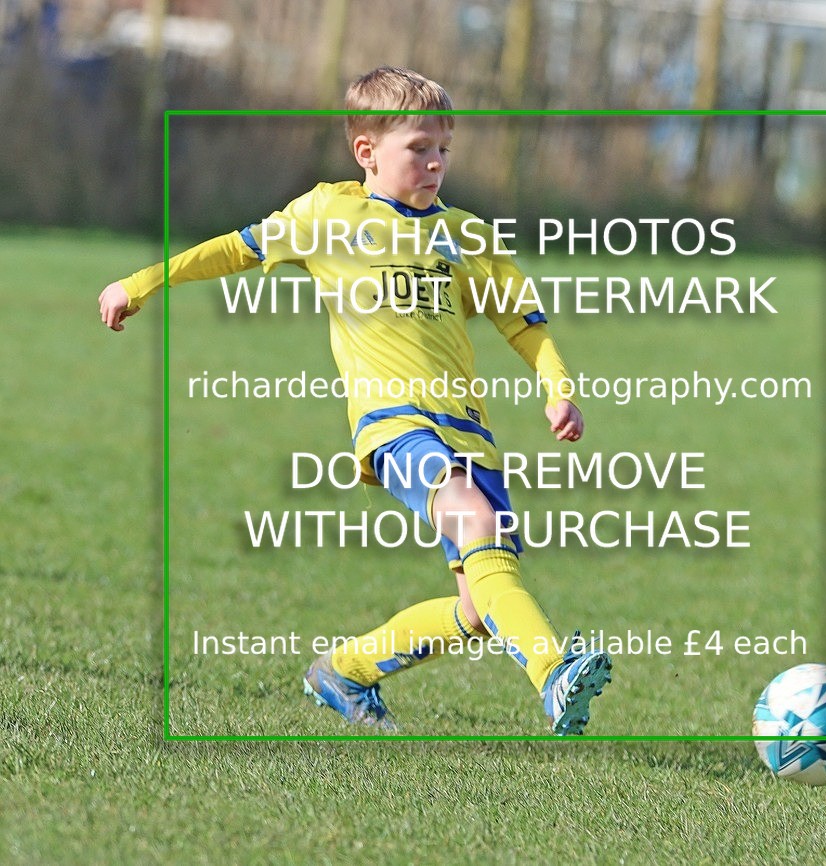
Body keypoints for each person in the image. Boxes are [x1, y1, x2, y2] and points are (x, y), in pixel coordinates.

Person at [99, 66, 611, 735]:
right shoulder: (329, 215)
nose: (435, 163)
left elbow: (525, 327)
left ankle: (346, 670)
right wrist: (140, 284)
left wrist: (559, 393)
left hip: (471, 436)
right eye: (419, 148)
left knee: (480, 608)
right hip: (395, 428)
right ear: (367, 151)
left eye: (444, 150)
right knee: (472, 521)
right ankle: (553, 675)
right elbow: (235, 250)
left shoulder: (469, 237)